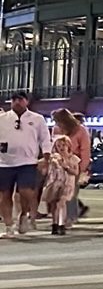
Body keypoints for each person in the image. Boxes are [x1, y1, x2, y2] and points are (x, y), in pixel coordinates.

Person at [0, 91, 52, 238]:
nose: (17, 102)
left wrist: (46, 158)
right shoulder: (2, 118)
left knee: (26, 191)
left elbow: (45, 139)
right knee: (4, 195)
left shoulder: (37, 119)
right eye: (14, 100)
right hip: (5, 162)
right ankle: (9, 225)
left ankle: (24, 213)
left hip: (28, 161)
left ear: (26, 102)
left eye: (20, 99)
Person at [43, 109, 90, 235]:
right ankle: (57, 220)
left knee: (70, 194)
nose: (56, 123)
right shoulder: (56, 129)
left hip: (74, 163)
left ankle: (69, 219)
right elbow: (53, 146)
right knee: (55, 196)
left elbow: (85, 150)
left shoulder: (81, 130)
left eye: (57, 120)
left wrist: (82, 168)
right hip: (57, 166)